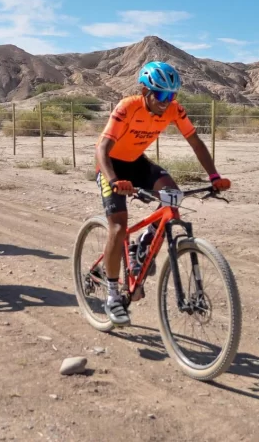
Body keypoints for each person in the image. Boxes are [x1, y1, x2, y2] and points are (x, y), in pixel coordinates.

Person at [95, 61, 231, 327]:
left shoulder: (174, 110)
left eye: (171, 95)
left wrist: (214, 177)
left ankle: (140, 248)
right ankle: (112, 295)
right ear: (145, 91)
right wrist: (114, 181)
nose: (166, 102)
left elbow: (196, 142)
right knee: (118, 227)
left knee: (174, 197)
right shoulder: (127, 106)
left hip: (137, 163)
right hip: (110, 165)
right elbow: (102, 148)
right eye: (160, 95)